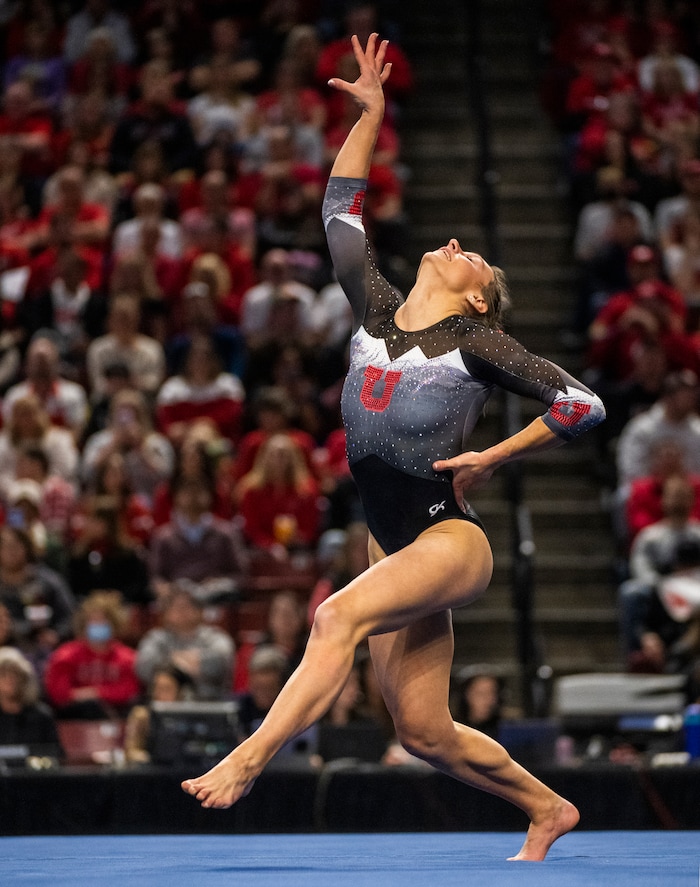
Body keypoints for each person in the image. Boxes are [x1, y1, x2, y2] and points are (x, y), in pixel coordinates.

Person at [181, 34, 604, 861]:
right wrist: (369, 115)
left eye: (469, 255)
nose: (453, 244)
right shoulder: (373, 312)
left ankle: (249, 757)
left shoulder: (479, 343)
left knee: (333, 613)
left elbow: (582, 404)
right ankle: (549, 807)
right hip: (392, 538)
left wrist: (494, 457)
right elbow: (341, 210)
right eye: (454, 242)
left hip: (450, 537)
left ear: (480, 296)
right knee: (423, 730)